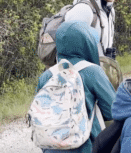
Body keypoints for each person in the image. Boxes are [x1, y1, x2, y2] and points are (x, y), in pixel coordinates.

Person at [36, 21, 116, 153]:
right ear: (85, 44)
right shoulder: (92, 72)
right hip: (87, 148)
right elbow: (113, 110)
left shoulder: (46, 76)